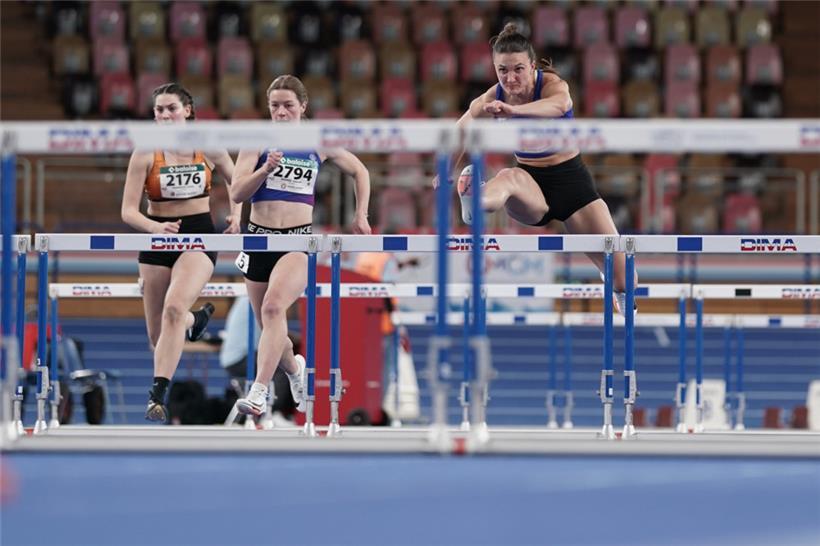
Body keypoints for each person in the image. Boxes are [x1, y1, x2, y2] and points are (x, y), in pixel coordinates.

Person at [437, 23, 637, 314]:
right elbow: (461, 129)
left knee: (626, 278)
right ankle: (476, 200)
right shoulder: (493, 97)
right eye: (502, 71)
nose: (510, 78)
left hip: (573, 185)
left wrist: (514, 112)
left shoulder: (552, 84)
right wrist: (444, 171)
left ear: (532, 66)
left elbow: (559, 106)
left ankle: (613, 278)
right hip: (530, 183)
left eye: (518, 69)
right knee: (508, 176)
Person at [230, 75, 372, 416]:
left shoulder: (317, 140)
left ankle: (259, 392)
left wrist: (361, 215)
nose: (281, 112)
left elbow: (360, 171)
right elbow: (237, 193)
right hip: (258, 239)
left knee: (273, 309)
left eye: (288, 106)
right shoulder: (257, 142)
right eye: (275, 106)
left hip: (297, 240)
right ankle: (295, 369)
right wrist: (265, 169)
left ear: (303, 107)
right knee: (270, 329)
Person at [121, 82, 240, 421]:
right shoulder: (145, 153)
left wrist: (236, 213)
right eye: (159, 110)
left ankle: (157, 395)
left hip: (197, 235)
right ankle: (196, 318)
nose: (165, 115)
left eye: (171, 108)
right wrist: (155, 228)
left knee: (173, 308)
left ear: (187, 110)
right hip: (157, 237)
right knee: (157, 336)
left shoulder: (208, 146)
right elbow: (128, 211)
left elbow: (237, 181)